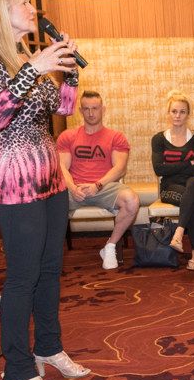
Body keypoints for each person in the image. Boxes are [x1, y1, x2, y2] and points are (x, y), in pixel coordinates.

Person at [0, 0, 89, 380]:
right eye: (22, 2)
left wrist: (68, 73)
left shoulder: (24, 56)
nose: (32, 8)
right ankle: (18, 368)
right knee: (23, 277)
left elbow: (63, 108)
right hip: (16, 181)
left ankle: (49, 348)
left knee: (50, 270)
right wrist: (34, 69)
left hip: (49, 176)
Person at [57, 91, 139, 269]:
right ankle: (51, 254)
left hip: (104, 187)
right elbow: (62, 167)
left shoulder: (115, 137)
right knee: (49, 203)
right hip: (75, 189)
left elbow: (120, 168)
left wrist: (97, 185)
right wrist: (72, 187)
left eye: (95, 108)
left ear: (103, 109)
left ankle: (110, 246)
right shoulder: (67, 136)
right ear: (80, 111)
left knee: (132, 200)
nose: (91, 113)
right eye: (86, 109)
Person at [151, 90, 194, 271]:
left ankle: (179, 232)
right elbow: (159, 169)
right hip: (169, 187)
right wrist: (188, 163)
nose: (178, 115)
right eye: (174, 111)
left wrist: (173, 166)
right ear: (168, 113)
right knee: (193, 201)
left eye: (182, 112)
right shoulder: (159, 139)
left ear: (188, 114)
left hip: (193, 185)